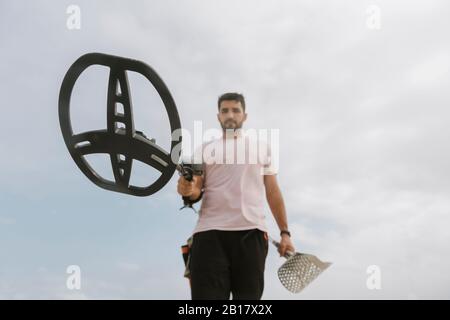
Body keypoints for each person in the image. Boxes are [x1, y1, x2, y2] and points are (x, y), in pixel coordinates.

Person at [177, 92, 295, 300]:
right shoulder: (204, 150)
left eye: (235, 110)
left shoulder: (262, 148)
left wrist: (285, 232)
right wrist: (187, 190)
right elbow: (195, 190)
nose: (230, 114)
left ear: (244, 115)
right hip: (209, 235)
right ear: (218, 117)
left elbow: (273, 191)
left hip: (252, 235)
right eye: (225, 110)